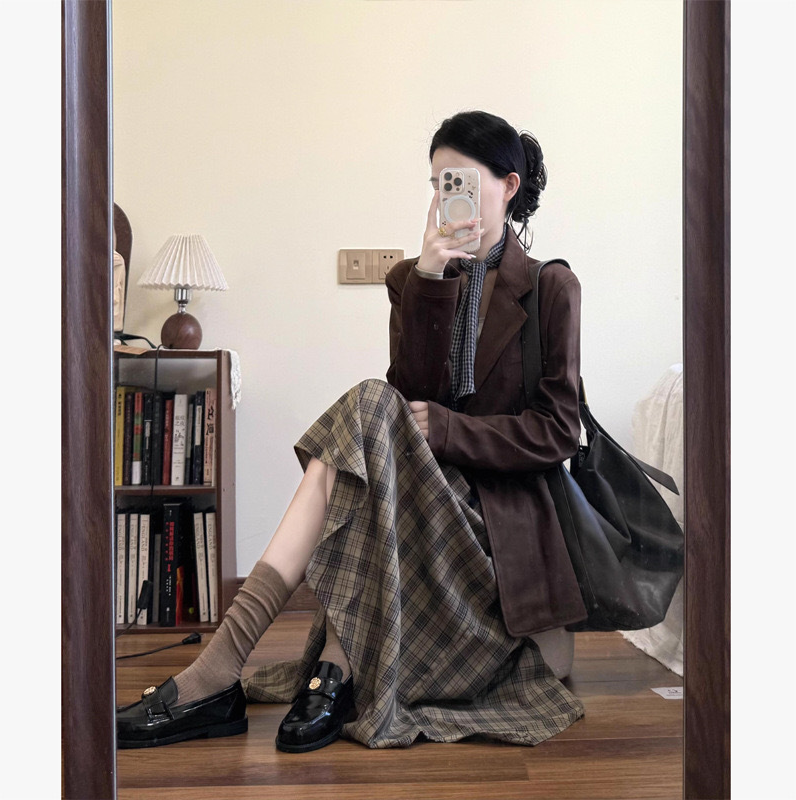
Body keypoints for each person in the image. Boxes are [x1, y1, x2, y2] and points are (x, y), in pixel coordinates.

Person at [117, 110, 587, 753]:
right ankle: (292, 672)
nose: (446, 196)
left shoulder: (551, 287)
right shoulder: (410, 281)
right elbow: (403, 395)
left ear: (508, 186)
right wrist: (428, 281)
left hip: (494, 524)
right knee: (368, 412)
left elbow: (558, 432)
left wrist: (450, 431)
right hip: (417, 505)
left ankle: (225, 669)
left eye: (461, 182)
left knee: (363, 419)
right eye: (438, 183)